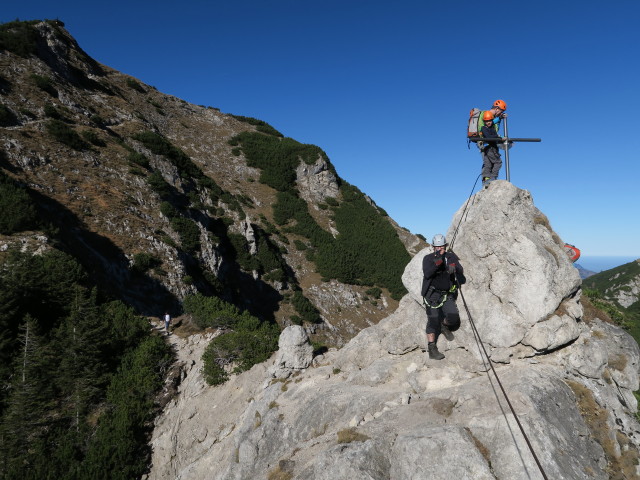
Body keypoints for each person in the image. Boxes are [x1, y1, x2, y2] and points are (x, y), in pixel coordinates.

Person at [420, 234, 465, 360]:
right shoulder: (428, 259)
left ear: (445, 246)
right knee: (433, 320)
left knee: (454, 317)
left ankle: (444, 325)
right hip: (431, 294)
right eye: (437, 247)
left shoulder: (450, 257)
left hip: (445, 294)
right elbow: (428, 273)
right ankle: (432, 348)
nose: (439, 249)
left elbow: (460, 270)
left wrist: (454, 267)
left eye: (442, 246)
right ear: (433, 247)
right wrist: (439, 261)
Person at [478, 99, 507, 185]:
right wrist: (498, 119)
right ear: (497, 108)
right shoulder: (485, 114)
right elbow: (484, 128)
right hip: (485, 143)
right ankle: (488, 182)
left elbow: (493, 132)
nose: (501, 113)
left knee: (489, 162)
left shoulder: (494, 119)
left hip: (492, 143)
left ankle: (490, 181)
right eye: (501, 111)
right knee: (490, 163)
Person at [480, 111, 502, 186]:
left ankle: (486, 179)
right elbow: (489, 137)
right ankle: (493, 178)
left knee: (488, 164)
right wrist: (498, 137)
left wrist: (500, 118)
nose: (488, 122)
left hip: (487, 148)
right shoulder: (484, 128)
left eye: (489, 120)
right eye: (486, 121)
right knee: (498, 162)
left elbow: (494, 121)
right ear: (484, 121)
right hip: (491, 148)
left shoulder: (491, 127)